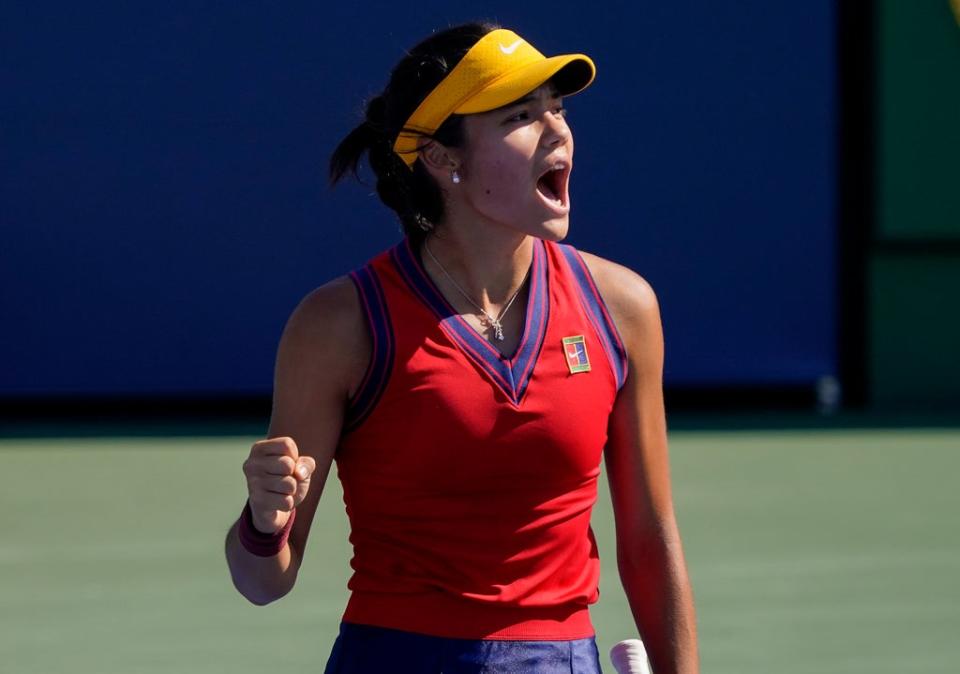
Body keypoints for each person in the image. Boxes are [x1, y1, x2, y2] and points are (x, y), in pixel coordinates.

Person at [224, 22, 699, 673]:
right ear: (445, 160)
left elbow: (649, 542)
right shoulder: (338, 325)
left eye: (557, 109)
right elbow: (262, 581)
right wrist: (262, 520)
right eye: (522, 116)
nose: (557, 130)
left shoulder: (624, 309)